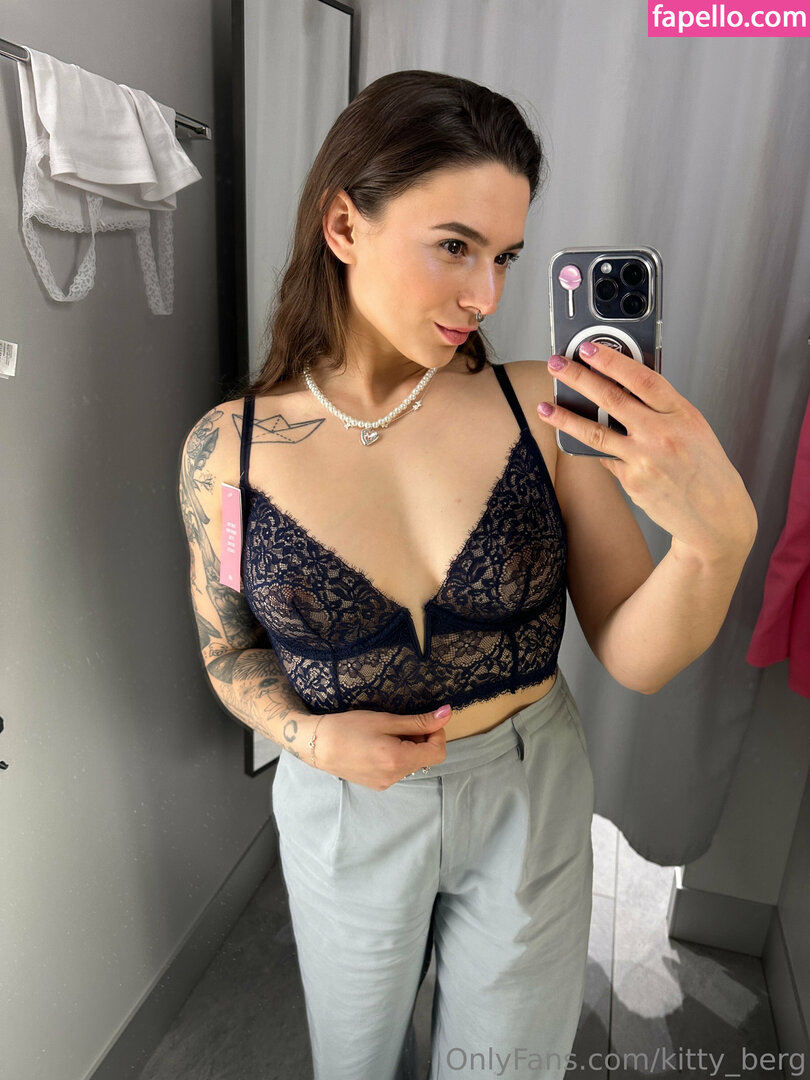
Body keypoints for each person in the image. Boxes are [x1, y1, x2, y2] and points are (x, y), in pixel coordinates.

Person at [177, 70, 757, 1080]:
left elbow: (636, 654)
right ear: (344, 226)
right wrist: (311, 738)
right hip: (344, 804)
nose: (486, 296)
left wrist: (718, 544)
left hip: (527, 789)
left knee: (507, 1065)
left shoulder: (547, 409)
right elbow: (229, 653)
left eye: (505, 257)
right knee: (355, 1061)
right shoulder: (230, 450)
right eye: (455, 246)